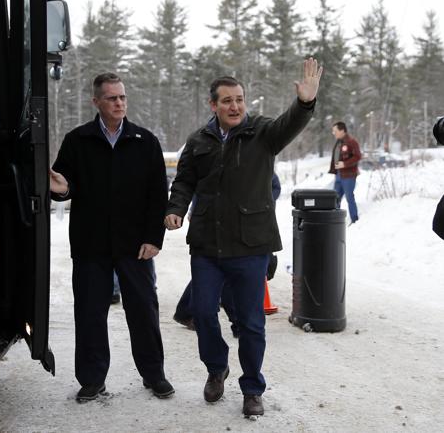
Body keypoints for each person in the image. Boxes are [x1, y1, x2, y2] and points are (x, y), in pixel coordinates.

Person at [165, 58, 323, 417]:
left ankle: (252, 387)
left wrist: (305, 103)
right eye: (227, 101)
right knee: (203, 313)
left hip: (251, 245)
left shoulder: (263, 133)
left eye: (239, 99)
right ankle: (216, 367)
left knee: (251, 322)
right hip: (207, 244)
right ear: (213, 105)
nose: (235, 106)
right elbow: (185, 181)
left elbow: (290, 124)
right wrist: (175, 208)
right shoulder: (198, 140)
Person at [50, 72, 174, 402]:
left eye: (122, 97)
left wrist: (154, 238)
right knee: (90, 313)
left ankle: (154, 374)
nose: (119, 103)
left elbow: (157, 194)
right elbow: (65, 183)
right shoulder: (78, 140)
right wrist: (62, 190)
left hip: (136, 245)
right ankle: (91, 379)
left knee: (144, 311)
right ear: (96, 102)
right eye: (112, 98)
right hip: (91, 244)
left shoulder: (144, 141)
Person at [173, 174, 282, 335]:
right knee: (216, 272)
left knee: (221, 273)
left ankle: (189, 311)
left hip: (247, 224)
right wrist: (195, 209)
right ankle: (236, 323)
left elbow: (274, 186)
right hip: (216, 223)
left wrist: (258, 205)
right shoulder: (213, 154)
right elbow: (200, 183)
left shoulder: (254, 157)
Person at [328, 121, 361, 225]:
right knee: (335, 199)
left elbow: (358, 156)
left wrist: (345, 164)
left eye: (335, 131)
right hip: (338, 175)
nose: (334, 133)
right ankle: (335, 222)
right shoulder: (338, 142)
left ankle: (355, 220)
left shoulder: (352, 142)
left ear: (342, 130)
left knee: (349, 197)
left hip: (348, 176)